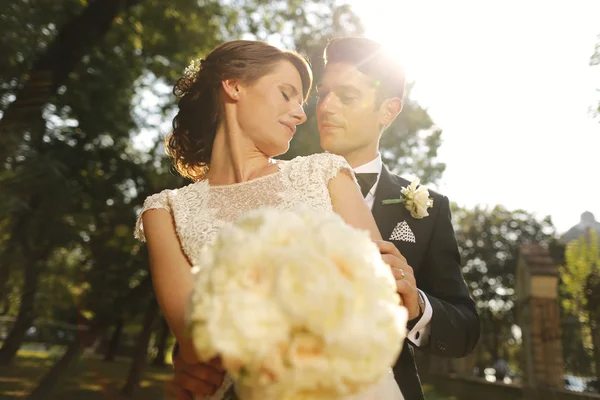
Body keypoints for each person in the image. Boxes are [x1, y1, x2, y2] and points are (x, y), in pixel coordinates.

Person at [134, 40, 409, 400]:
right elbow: (197, 343)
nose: (300, 114)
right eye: (286, 94)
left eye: (300, 102)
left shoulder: (325, 172)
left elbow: (383, 290)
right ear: (234, 86)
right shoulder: (164, 212)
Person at [315, 37, 481, 399]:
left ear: (388, 111)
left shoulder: (429, 209)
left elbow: (466, 328)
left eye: (347, 96)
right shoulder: (277, 188)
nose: (325, 107)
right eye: (322, 94)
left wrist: (418, 307)